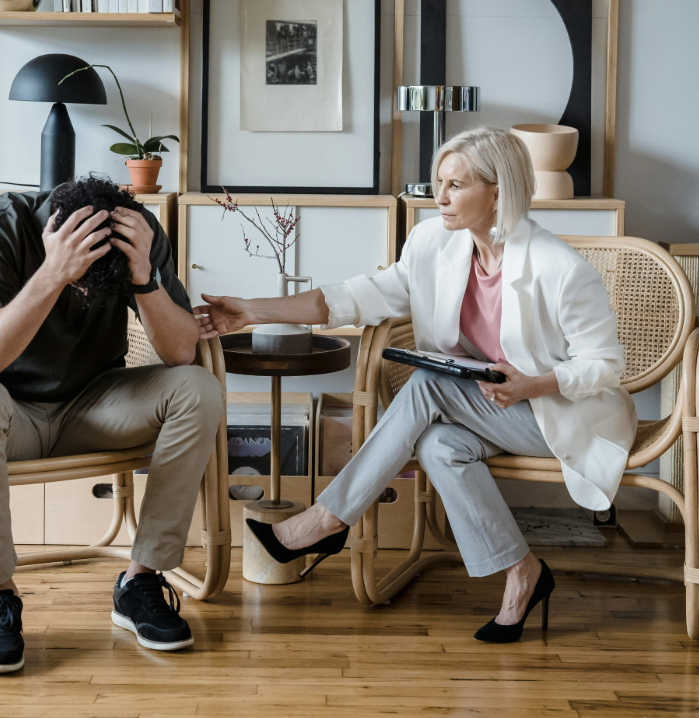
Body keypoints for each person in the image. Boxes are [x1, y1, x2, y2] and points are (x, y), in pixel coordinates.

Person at [196, 127, 637, 643]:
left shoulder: (560, 267)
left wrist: (533, 385)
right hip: (488, 408)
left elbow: (607, 365)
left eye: (456, 185)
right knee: (439, 444)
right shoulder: (434, 243)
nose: (440, 197)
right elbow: (356, 297)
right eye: (439, 183)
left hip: (559, 416)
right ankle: (523, 573)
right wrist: (252, 310)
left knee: (430, 381)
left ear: (499, 191)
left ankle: (326, 520)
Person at [0, 176, 223, 674]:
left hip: (92, 407)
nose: (88, 292)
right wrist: (53, 272)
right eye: (83, 279)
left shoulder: (140, 232)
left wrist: (142, 276)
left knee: (198, 388)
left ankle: (140, 580)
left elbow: (180, 351)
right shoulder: (0, 225)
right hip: (6, 411)